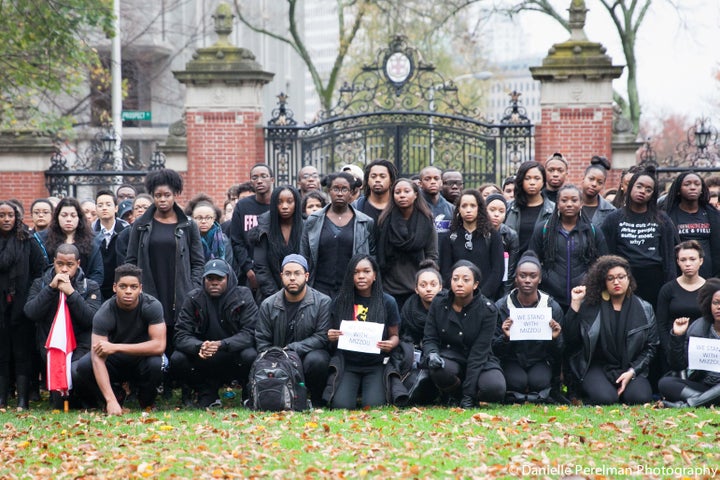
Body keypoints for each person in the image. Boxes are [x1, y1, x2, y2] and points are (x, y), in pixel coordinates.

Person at [125, 168, 205, 375]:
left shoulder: (188, 225)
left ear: (175, 194)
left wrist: (193, 288)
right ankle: (157, 379)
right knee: (152, 331)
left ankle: (178, 380)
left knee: (178, 333)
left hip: (180, 289)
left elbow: (198, 262)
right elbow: (131, 260)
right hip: (150, 287)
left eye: (167, 195)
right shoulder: (141, 225)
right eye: (158, 195)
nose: (162, 200)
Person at [72, 264, 167, 415]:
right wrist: (110, 400)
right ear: (115, 287)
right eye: (123, 286)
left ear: (140, 288)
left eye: (133, 287)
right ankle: (115, 396)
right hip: (114, 362)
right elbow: (97, 358)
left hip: (141, 359)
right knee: (83, 366)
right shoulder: (104, 313)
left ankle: (146, 399)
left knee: (157, 363)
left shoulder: (152, 305)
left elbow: (159, 346)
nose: (128, 291)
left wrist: (116, 347)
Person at [565, 255, 658, 405]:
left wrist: (632, 372)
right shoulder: (590, 306)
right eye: (610, 278)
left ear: (629, 278)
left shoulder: (645, 308)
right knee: (605, 399)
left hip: (630, 367)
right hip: (597, 366)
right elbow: (570, 338)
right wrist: (575, 304)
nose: (616, 282)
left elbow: (651, 347)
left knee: (639, 398)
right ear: (603, 282)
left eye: (621, 277)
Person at [23, 244, 102, 408]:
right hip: (51, 347)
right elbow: (31, 312)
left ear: (78, 264)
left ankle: (87, 400)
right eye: (60, 264)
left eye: (70, 265)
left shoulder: (90, 286)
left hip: (81, 345)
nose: (64, 269)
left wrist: (71, 293)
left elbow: (91, 319)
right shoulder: (41, 284)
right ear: (54, 262)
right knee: (59, 404)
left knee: (75, 372)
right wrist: (51, 289)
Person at [172, 259, 258, 408]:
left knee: (250, 355)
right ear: (204, 279)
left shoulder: (243, 295)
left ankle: (247, 394)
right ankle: (205, 392)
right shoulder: (193, 298)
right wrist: (200, 346)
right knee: (177, 358)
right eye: (210, 278)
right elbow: (180, 335)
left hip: (233, 355)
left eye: (219, 278)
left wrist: (222, 344)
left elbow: (250, 333)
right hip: (204, 356)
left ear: (228, 278)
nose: (214, 282)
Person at [423, 261, 506, 407]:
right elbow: (430, 337)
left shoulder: (488, 310)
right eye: (455, 279)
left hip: (479, 359)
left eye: (465, 280)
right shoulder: (439, 301)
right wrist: (432, 353)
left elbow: (478, 354)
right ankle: (454, 395)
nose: (459, 283)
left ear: (475, 285)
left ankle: (469, 395)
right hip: (451, 355)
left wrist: (468, 395)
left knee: (495, 388)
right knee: (438, 369)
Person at [326, 255, 401, 409]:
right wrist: (331, 336)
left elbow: (395, 336)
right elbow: (331, 333)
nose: (361, 276)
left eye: (366, 271)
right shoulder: (341, 301)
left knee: (373, 406)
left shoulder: (388, 302)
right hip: (348, 364)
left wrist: (391, 344)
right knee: (341, 406)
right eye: (356, 272)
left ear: (374, 276)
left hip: (376, 364)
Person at [255, 254, 332, 406]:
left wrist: (291, 349)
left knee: (318, 360)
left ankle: (316, 400)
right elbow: (262, 339)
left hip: (306, 356)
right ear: (281, 276)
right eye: (287, 274)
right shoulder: (268, 304)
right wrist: (275, 356)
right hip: (277, 358)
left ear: (307, 276)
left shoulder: (323, 302)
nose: (292, 278)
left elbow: (322, 337)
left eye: (297, 273)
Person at [601, 167, 678, 308]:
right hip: (623, 280)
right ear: (630, 187)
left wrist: (670, 288)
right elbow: (606, 255)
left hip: (655, 282)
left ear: (653, 195)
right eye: (639, 186)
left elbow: (669, 257)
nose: (643, 191)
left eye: (649, 190)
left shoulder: (662, 219)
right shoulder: (613, 219)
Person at [494, 251, 564, 402]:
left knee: (538, 382)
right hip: (511, 359)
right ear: (516, 278)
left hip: (539, 359)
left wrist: (554, 339)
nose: (527, 280)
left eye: (533, 276)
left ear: (539, 279)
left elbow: (560, 351)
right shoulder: (501, 306)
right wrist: (505, 338)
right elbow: (493, 348)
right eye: (522, 275)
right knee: (516, 382)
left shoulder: (552, 306)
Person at [530, 184, 607, 310]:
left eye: (574, 200)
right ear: (557, 203)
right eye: (564, 200)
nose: (569, 204)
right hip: (550, 297)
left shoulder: (593, 231)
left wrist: (589, 282)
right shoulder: (543, 229)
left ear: (581, 203)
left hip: (584, 297)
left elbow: (603, 263)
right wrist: (545, 277)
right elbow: (532, 259)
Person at [0, 200, 45, 410]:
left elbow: (39, 270)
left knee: (22, 352)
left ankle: (22, 399)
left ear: (17, 217)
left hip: (22, 305)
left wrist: (28, 297)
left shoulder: (27, 240)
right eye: (2, 215)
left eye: (10, 215)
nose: (6, 219)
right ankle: (2, 397)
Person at [300, 172, 374, 297]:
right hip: (318, 289)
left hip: (351, 290)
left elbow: (372, 258)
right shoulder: (313, 220)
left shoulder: (365, 222)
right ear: (329, 190)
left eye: (344, 189)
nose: (340, 193)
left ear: (351, 192)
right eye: (335, 189)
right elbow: (304, 255)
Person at [377, 178, 438, 309]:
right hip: (390, 287)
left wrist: (424, 283)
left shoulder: (426, 221)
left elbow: (432, 255)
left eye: (406, 191)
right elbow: (379, 254)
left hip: (417, 288)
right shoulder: (384, 221)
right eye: (397, 192)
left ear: (416, 194)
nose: (402, 195)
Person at [660, 278, 720, 408]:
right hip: (704, 385)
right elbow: (678, 364)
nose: (719, 307)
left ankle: (689, 404)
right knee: (665, 383)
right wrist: (677, 335)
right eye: (716, 303)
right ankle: (707, 400)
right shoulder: (699, 327)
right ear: (709, 304)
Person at [439, 189, 504, 299]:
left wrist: (480, 296)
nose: (468, 210)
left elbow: (497, 271)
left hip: (485, 299)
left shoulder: (492, 236)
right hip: (457, 299)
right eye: (464, 206)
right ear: (458, 209)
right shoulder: (449, 237)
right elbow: (445, 272)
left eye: (473, 206)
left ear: (479, 208)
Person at [656, 240, 706, 365]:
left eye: (692, 259)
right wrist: (670, 351)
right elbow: (661, 324)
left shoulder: (710, 289)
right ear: (678, 262)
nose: (688, 264)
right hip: (673, 348)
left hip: (704, 350)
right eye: (683, 260)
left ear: (701, 261)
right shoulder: (668, 289)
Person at [664, 171, 720, 279]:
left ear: (702, 189)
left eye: (697, 184)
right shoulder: (667, 216)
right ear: (678, 189)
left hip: (709, 277)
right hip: (678, 276)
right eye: (687, 184)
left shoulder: (713, 215)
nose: (693, 187)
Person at [252, 185, 303, 303]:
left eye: (289, 202)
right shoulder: (264, 228)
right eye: (279, 202)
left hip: (301, 293)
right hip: (269, 295)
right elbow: (261, 266)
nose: (284, 206)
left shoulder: (306, 228)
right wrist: (275, 296)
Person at [40, 197, 104, 286]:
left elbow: (97, 273)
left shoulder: (92, 241)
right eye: (64, 215)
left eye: (73, 215)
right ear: (57, 217)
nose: (69, 219)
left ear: (79, 218)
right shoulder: (44, 240)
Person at [230, 163, 275, 287]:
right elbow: (236, 241)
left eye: (264, 176)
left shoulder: (279, 205)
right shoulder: (242, 206)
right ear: (251, 181)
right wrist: (248, 269)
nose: (259, 181)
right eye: (255, 178)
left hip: (276, 270)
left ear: (272, 179)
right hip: (249, 273)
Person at [504, 161, 554, 256]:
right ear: (521, 180)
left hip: (541, 265)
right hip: (513, 264)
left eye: (537, 178)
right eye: (527, 178)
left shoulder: (553, 209)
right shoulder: (509, 207)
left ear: (543, 181)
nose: (532, 183)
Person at [93, 190, 130, 301]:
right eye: (100, 205)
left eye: (108, 205)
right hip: (97, 288)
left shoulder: (126, 231)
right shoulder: (89, 233)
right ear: (96, 209)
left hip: (121, 285)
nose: (104, 208)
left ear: (116, 208)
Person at [185, 194, 234, 268]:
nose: (203, 221)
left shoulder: (223, 240)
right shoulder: (186, 239)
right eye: (199, 218)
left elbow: (228, 266)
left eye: (208, 218)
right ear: (192, 218)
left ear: (214, 218)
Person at [485, 193, 519, 298]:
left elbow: (510, 271)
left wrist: (504, 296)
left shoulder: (511, 235)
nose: (496, 214)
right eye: (492, 210)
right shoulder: (477, 232)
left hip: (502, 281)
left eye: (501, 211)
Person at [353, 159, 397, 224]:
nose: (377, 180)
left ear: (391, 180)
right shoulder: (356, 207)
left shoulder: (399, 205)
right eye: (373, 176)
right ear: (367, 180)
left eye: (382, 176)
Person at [115, 193, 153, 266]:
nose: (140, 210)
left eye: (145, 207)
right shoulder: (124, 235)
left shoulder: (159, 231)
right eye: (137, 208)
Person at [580, 156, 616, 228]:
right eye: (591, 179)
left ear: (603, 185)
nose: (594, 184)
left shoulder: (611, 211)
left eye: (599, 182)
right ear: (583, 179)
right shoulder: (570, 204)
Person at [419, 166, 454, 232]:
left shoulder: (451, 209)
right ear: (420, 184)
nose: (432, 182)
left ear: (441, 182)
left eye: (436, 178)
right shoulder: (414, 207)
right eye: (427, 179)